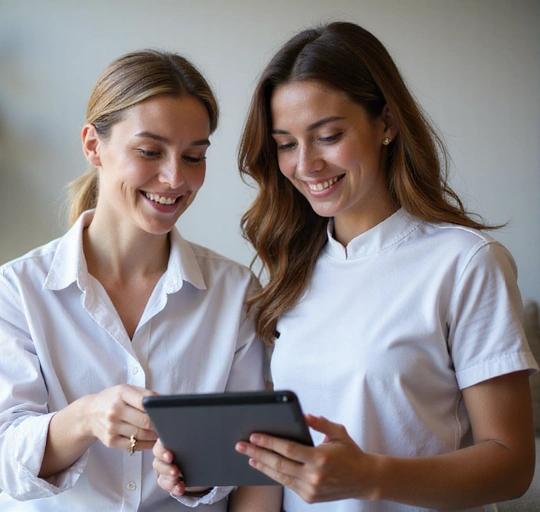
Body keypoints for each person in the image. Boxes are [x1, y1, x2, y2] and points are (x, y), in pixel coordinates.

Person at [154, 21, 538, 511]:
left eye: (328, 135)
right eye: (287, 143)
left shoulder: (464, 262)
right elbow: (275, 464)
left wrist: (370, 476)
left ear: (387, 124)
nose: (307, 164)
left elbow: (512, 464)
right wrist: (200, 472)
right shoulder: (292, 273)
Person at [0, 49, 271, 511]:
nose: (175, 177)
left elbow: (255, 463)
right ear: (93, 145)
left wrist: (195, 475)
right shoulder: (20, 289)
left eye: (194, 156)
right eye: (150, 151)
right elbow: (4, 457)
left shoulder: (235, 296)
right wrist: (86, 418)